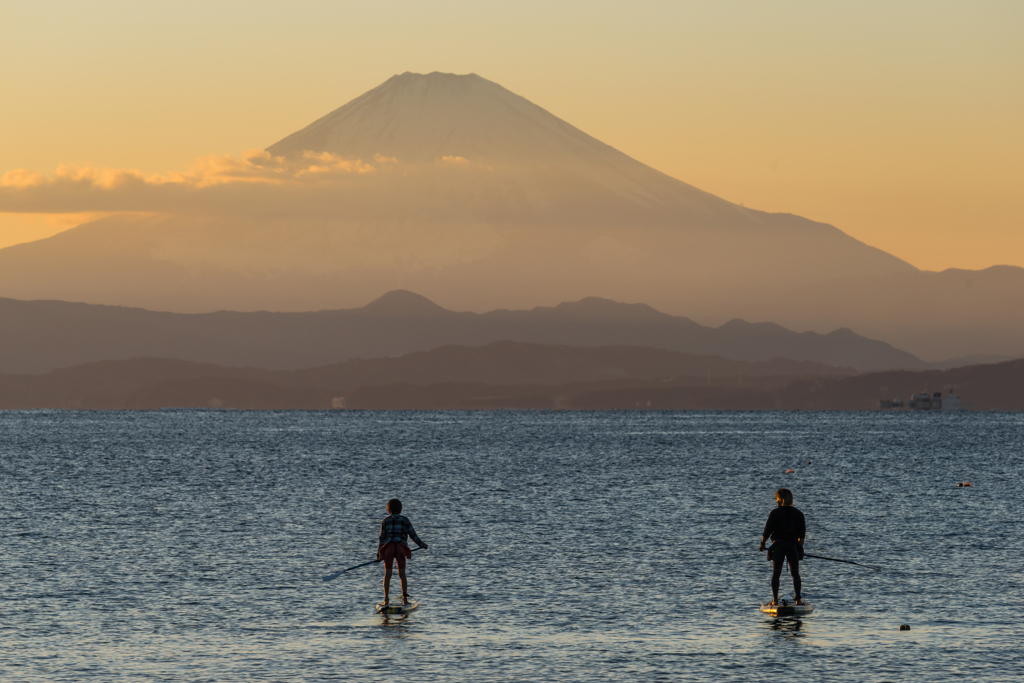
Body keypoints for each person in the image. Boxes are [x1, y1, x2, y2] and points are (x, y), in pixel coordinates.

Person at [758, 488, 806, 606]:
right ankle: (798, 600)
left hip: (778, 545)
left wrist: (762, 544)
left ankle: (775, 600)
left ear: (779, 499)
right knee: (795, 573)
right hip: (792, 546)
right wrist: (800, 549)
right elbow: (802, 535)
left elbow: (767, 531)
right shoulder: (798, 514)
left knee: (776, 573)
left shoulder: (774, 513)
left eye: (776, 499)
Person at [376, 498, 428, 606]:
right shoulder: (405, 520)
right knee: (402, 574)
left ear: (388, 509)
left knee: (388, 574)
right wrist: (422, 545)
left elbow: (381, 538)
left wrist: (378, 554)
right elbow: (413, 536)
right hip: (401, 548)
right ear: (400, 509)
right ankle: (405, 599)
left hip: (388, 548)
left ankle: (386, 600)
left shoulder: (385, 521)